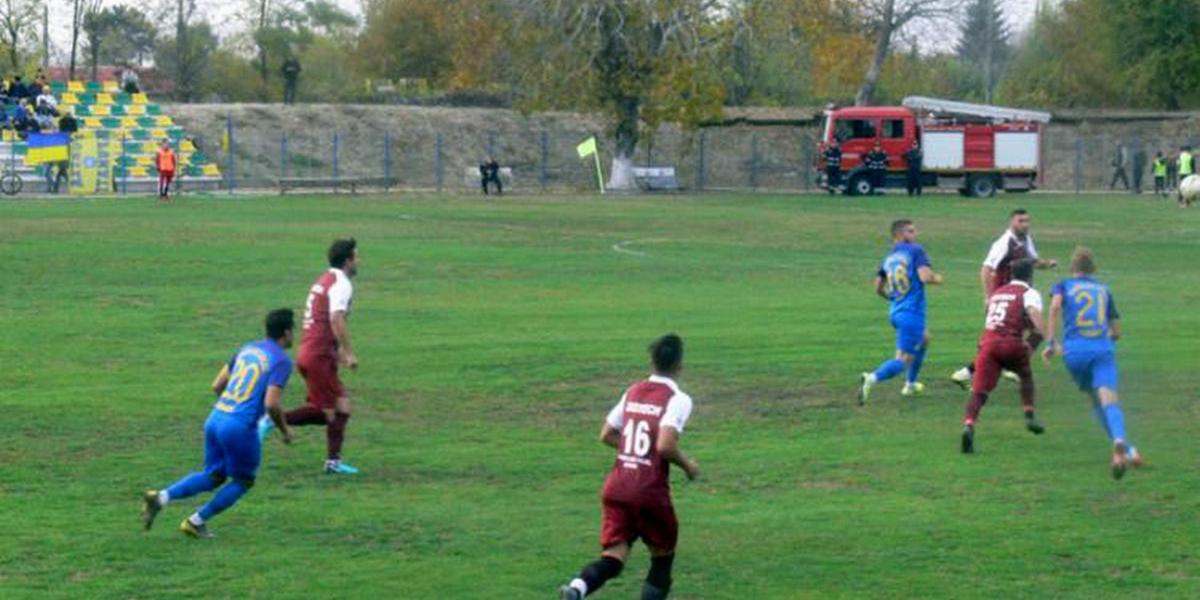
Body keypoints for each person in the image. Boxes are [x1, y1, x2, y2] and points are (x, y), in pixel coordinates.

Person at [558, 334, 698, 600]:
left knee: (613, 558)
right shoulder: (678, 399)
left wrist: (633, 452)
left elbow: (606, 434)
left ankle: (577, 589)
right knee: (662, 559)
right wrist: (688, 465)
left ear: (652, 362)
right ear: (680, 366)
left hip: (617, 488)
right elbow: (665, 445)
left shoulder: (633, 391)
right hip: (649, 491)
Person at [139, 309, 296, 539]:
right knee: (243, 480)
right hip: (239, 427)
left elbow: (217, 385)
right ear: (287, 332)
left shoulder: (247, 348)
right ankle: (195, 521)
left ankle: (160, 498)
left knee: (214, 475)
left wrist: (231, 408)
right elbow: (272, 403)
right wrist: (285, 431)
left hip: (216, 418)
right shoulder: (281, 361)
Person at [1042, 247, 1142, 479]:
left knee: (1095, 400)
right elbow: (1116, 332)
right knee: (1110, 401)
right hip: (1101, 351)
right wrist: (1104, 338)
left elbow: (1055, 307)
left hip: (1074, 354)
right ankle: (1120, 442)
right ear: (1093, 269)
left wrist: (1051, 342)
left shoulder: (1063, 285)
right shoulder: (1104, 290)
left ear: (1072, 268)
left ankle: (1126, 451)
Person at [264, 238, 361, 474]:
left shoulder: (325, 279)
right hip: (319, 356)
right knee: (328, 413)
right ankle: (271, 420)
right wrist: (348, 352)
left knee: (343, 407)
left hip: (315, 351)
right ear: (347, 260)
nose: (359, 261)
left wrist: (337, 353)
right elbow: (335, 318)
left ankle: (333, 463)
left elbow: (320, 321)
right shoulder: (341, 283)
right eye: (356, 256)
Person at [951, 209, 1057, 388]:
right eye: (1021, 221)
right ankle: (1011, 368)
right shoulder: (1003, 243)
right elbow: (986, 269)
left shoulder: (1025, 240)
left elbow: (1033, 261)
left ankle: (966, 373)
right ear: (1011, 222)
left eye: (1027, 221)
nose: (1025, 225)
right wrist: (988, 297)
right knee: (1033, 332)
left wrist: (1047, 264)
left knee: (1000, 340)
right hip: (1006, 299)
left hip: (1019, 297)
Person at [960, 258, 1046, 454]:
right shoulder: (1029, 293)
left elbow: (991, 317)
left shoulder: (997, 293)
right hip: (1011, 343)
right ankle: (1029, 415)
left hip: (988, 344)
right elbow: (1037, 323)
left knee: (979, 392)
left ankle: (969, 425)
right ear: (1030, 276)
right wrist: (1034, 343)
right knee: (1026, 377)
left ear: (1012, 275)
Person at [858, 219, 944, 403]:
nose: (915, 234)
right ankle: (871, 378)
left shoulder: (889, 258)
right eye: (911, 231)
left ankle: (910, 384)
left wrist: (894, 298)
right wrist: (937, 278)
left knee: (924, 338)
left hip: (896, 312)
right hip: (911, 314)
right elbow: (925, 277)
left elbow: (878, 288)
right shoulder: (916, 250)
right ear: (899, 235)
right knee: (903, 360)